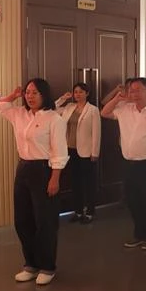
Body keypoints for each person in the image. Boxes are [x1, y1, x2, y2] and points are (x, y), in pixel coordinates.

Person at [0, 78, 69, 286]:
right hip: (23, 168)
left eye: (35, 92)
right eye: (27, 92)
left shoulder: (54, 118)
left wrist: (55, 178)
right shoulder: (19, 114)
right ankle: (31, 264)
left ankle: (47, 267)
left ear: (44, 94)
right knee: (23, 220)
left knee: (45, 222)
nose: (30, 96)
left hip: (44, 170)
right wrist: (13, 95)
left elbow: (59, 151)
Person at [101, 78, 146, 250]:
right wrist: (117, 98)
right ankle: (139, 234)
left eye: (138, 90)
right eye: (131, 90)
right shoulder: (125, 109)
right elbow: (105, 112)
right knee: (133, 200)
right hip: (128, 163)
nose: (134, 94)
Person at [55, 82, 101, 223]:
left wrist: (95, 152)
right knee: (75, 182)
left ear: (87, 93)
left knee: (88, 183)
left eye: (81, 92)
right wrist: (63, 98)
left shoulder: (92, 110)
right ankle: (78, 211)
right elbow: (52, 109)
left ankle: (90, 212)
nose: (78, 94)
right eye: (75, 92)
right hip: (70, 150)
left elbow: (96, 132)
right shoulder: (69, 107)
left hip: (86, 151)